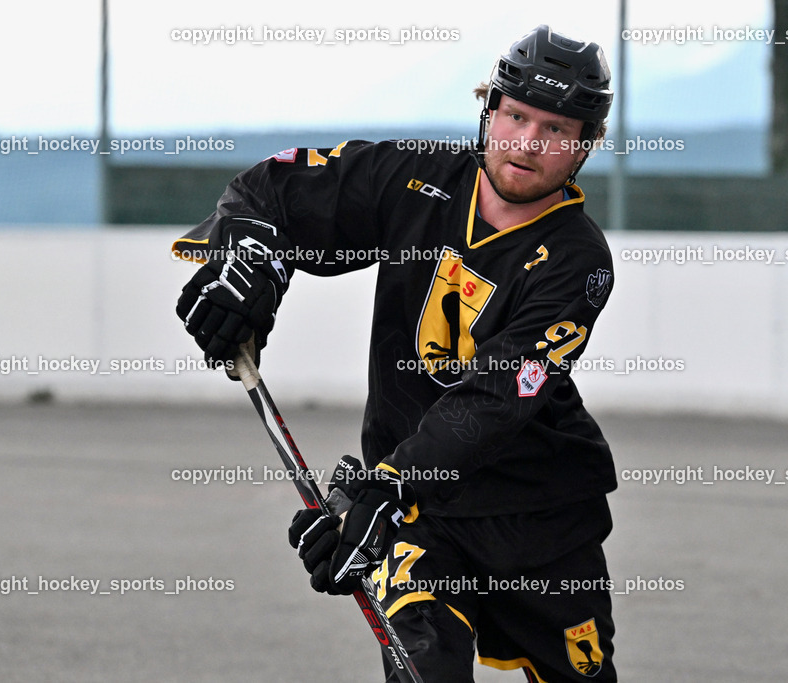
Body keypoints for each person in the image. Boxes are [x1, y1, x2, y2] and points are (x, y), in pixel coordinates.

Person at [173, 25, 618, 682]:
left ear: (585, 146)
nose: (526, 143)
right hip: (422, 518)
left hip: (540, 518)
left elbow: (497, 396)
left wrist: (386, 485)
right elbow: (273, 191)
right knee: (423, 672)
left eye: (554, 129)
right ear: (487, 109)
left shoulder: (579, 262)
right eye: (515, 115)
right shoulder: (418, 177)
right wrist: (255, 260)